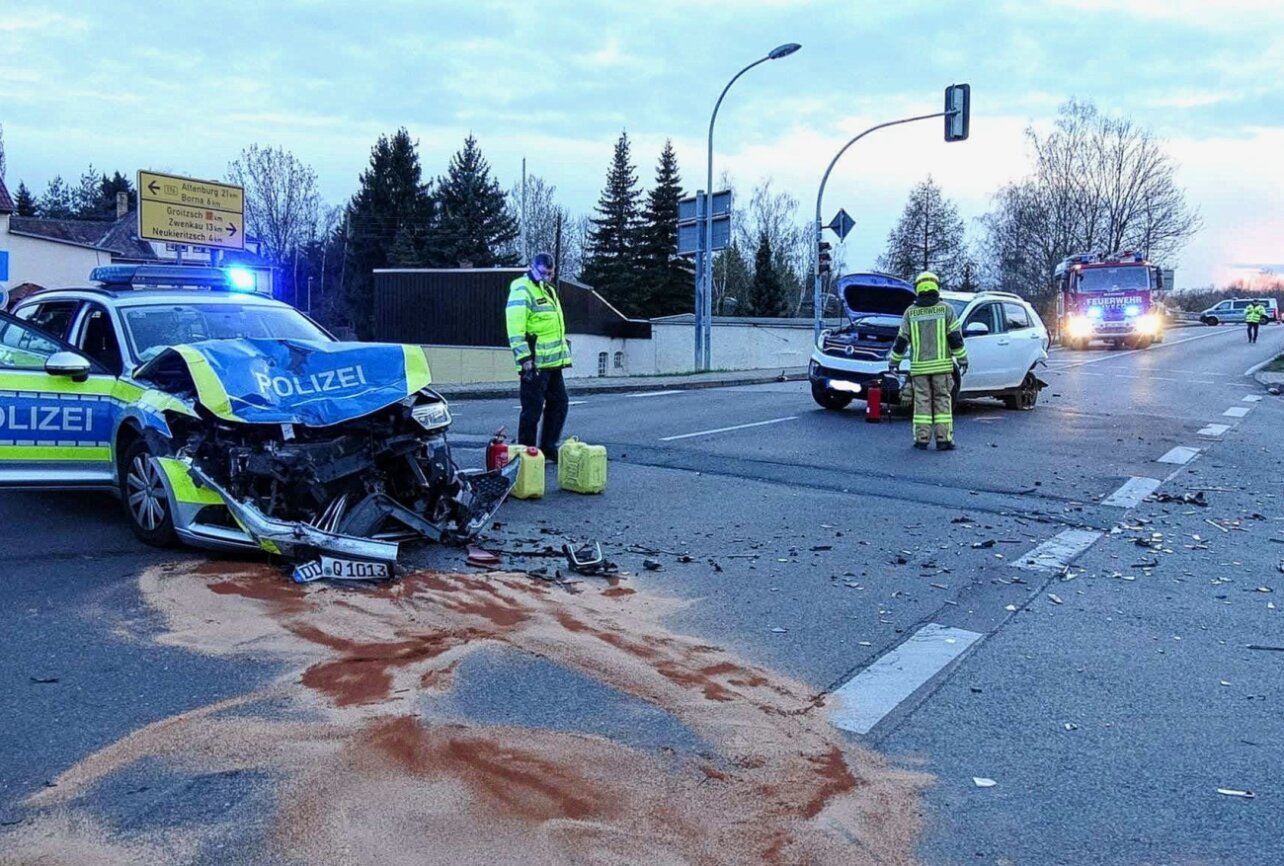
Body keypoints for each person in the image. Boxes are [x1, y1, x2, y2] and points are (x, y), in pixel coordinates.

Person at [888, 271, 968, 451]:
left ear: (918, 289)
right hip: (942, 368)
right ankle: (944, 440)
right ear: (936, 287)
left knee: (922, 402)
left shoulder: (911, 312)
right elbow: (955, 338)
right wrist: (962, 359)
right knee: (942, 401)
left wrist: (894, 362)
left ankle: (921, 439)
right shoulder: (946, 309)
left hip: (919, 369)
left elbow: (901, 341)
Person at [505, 252, 572, 460]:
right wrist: (524, 359)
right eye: (543, 273)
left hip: (552, 363)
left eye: (550, 274)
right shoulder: (521, 288)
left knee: (559, 403)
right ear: (531, 267)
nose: (547, 277)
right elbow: (515, 328)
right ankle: (527, 454)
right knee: (532, 411)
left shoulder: (548, 290)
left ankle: (548, 446)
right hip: (534, 363)